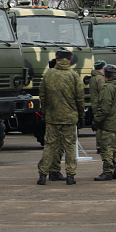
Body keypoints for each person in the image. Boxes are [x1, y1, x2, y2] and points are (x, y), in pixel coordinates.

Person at [37, 49, 85, 186]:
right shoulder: (74, 76)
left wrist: (44, 112)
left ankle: (42, 174)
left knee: (50, 145)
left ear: (57, 59)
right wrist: (81, 115)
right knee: (70, 146)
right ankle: (70, 175)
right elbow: (80, 99)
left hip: (52, 117)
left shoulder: (48, 75)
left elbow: (43, 97)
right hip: (70, 117)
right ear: (69, 60)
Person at [91, 63, 116, 181]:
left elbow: (104, 107)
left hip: (108, 123)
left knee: (106, 148)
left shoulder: (108, 87)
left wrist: (96, 121)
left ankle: (107, 172)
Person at [89, 59, 106, 153]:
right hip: (100, 104)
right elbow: (103, 92)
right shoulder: (100, 79)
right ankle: (101, 145)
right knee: (102, 126)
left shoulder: (93, 78)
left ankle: (99, 145)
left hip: (95, 104)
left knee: (98, 125)